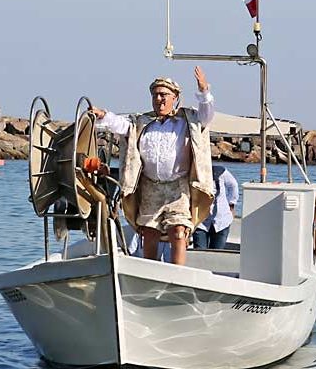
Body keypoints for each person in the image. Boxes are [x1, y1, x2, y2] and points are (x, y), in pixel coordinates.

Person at [90, 66, 215, 266]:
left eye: (164, 94)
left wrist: (203, 91)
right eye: (156, 95)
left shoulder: (187, 119)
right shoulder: (143, 122)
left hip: (178, 186)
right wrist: (103, 115)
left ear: (175, 97)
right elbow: (122, 126)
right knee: (149, 231)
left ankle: (178, 274)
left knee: (179, 230)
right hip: (150, 186)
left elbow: (206, 116)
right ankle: (150, 270)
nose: (159, 99)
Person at [193, 165, 239, 250]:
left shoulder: (220, 172)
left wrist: (231, 204)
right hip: (200, 221)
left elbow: (233, 185)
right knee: (199, 251)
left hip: (221, 221)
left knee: (217, 252)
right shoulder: (193, 172)